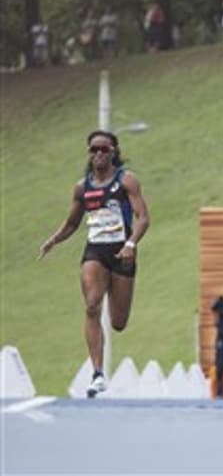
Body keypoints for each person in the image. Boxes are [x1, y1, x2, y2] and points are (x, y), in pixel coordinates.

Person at [38, 130, 150, 398]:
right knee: (91, 306)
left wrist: (131, 244)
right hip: (95, 252)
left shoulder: (126, 180)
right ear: (89, 153)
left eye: (104, 149)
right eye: (94, 149)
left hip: (122, 252)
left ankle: (101, 366)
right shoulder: (82, 187)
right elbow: (73, 223)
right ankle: (97, 373)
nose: (99, 154)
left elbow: (143, 217)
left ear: (113, 152)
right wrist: (53, 240)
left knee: (119, 322)